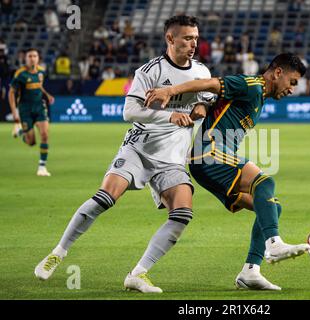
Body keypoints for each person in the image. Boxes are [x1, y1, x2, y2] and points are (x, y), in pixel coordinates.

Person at [34, 15, 214, 294]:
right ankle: (59, 252)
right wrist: (171, 116)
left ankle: (138, 274)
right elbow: (129, 112)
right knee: (105, 198)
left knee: (182, 214)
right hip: (139, 149)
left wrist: (201, 107)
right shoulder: (149, 71)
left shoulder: (202, 72)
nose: (194, 44)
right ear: (170, 39)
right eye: (187, 38)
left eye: (195, 38)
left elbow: (207, 98)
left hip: (172, 159)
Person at [144, 53, 310, 290]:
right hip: (208, 152)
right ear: (278, 73)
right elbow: (210, 83)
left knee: (271, 207)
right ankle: (274, 244)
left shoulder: (259, 98)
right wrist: (170, 92)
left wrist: (202, 104)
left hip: (211, 162)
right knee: (264, 183)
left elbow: (212, 97)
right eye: (292, 82)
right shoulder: (252, 85)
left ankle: (250, 272)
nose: (292, 89)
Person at [8, 48, 55, 176]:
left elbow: (39, 85)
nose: (32, 58)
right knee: (31, 142)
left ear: (38, 58)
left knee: (45, 134)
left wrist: (47, 94)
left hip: (39, 106)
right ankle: (21, 132)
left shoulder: (41, 72)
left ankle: (42, 167)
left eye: (35, 55)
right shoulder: (20, 74)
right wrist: (14, 113)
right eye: (30, 56)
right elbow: (11, 93)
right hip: (25, 109)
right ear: (25, 58)